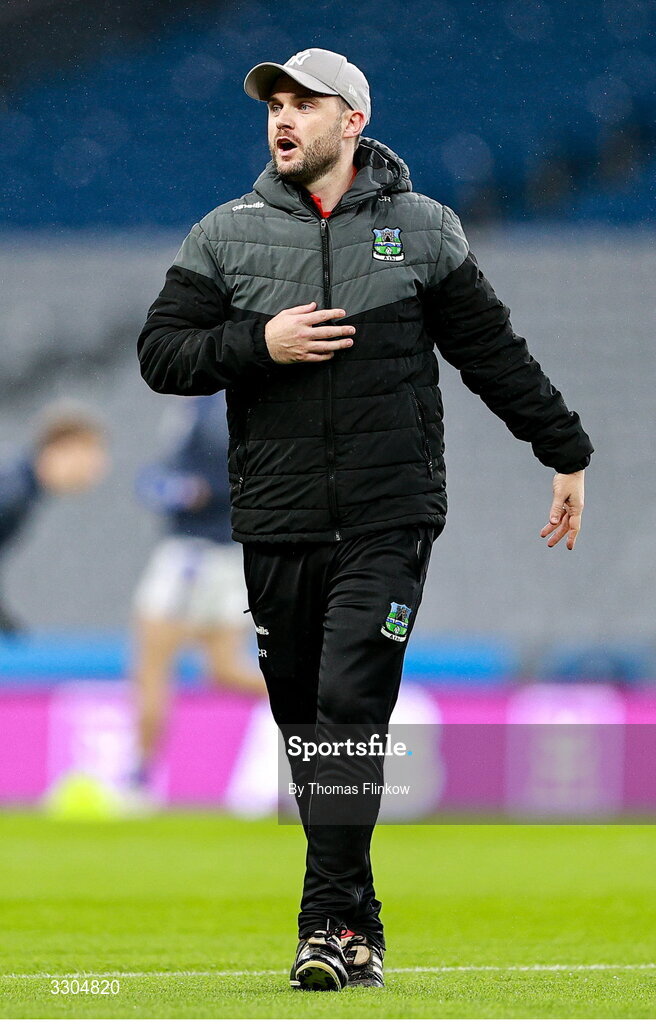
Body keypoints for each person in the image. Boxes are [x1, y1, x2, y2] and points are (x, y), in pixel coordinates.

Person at [137, 48, 593, 990]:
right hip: (277, 517)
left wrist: (564, 448)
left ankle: (323, 926)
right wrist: (259, 341)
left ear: (353, 121)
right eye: (275, 104)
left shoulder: (422, 231)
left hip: (390, 513)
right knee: (311, 731)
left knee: (348, 704)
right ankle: (359, 923)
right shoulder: (224, 235)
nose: (282, 117)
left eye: (304, 103)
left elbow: (491, 352)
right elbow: (161, 355)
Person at [131, 393, 263, 795]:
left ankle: (138, 780)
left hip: (195, 557)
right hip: (231, 555)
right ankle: (330, 713)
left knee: (153, 663)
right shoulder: (204, 406)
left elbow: (215, 482)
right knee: (225, 671)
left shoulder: (216, 408)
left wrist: (183, 489)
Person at [0, 406, 108, 633]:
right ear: (59, 449)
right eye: (88, 454)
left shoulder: (20, 486)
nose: (96, 468)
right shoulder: (13, 491)